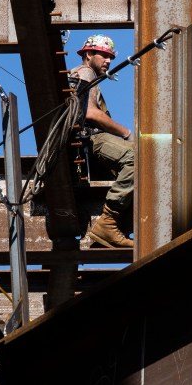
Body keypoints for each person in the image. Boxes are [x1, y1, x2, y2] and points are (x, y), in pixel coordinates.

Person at [69, 34, 134, 248]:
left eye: (111, 57)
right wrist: (127, 134)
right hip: (92, 138)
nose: (108, 61)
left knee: (136, 172)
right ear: (88, 54)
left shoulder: (88, 75)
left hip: (91, 141)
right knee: (137, 156)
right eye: (104, 55)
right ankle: (108, 222)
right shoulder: (86, 72)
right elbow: (91, 114)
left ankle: (119, 227)